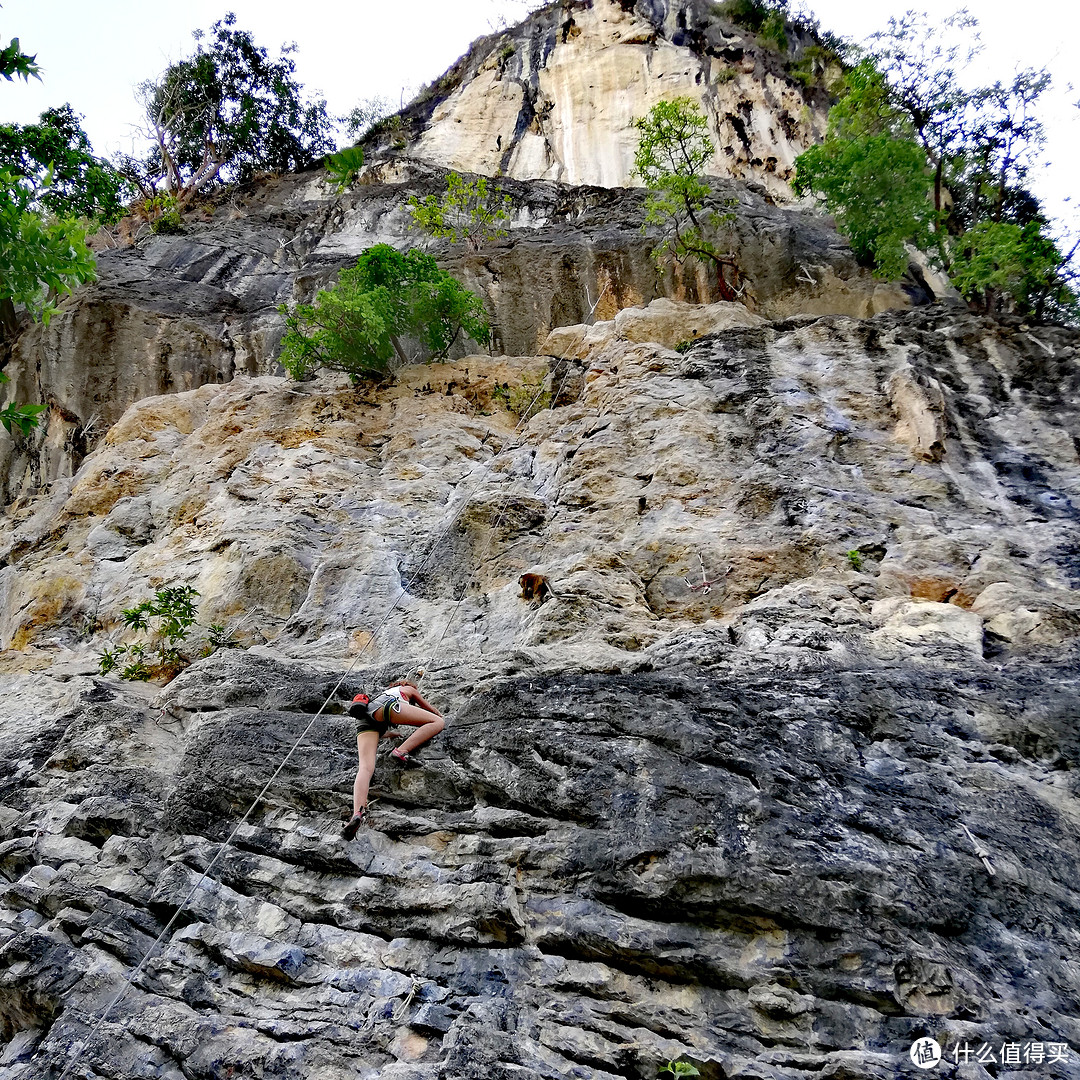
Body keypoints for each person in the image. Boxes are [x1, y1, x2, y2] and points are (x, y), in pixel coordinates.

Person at [342, 679, 445, 839]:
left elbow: (378, 725)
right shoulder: (407, 689)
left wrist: (390, 734)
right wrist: (440, 714)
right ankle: (401, 750)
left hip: (366, 717)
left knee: (365, 768)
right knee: (438, 722)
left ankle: (357, 813)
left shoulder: (379, 695)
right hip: (388, 706)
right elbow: (428, 708)